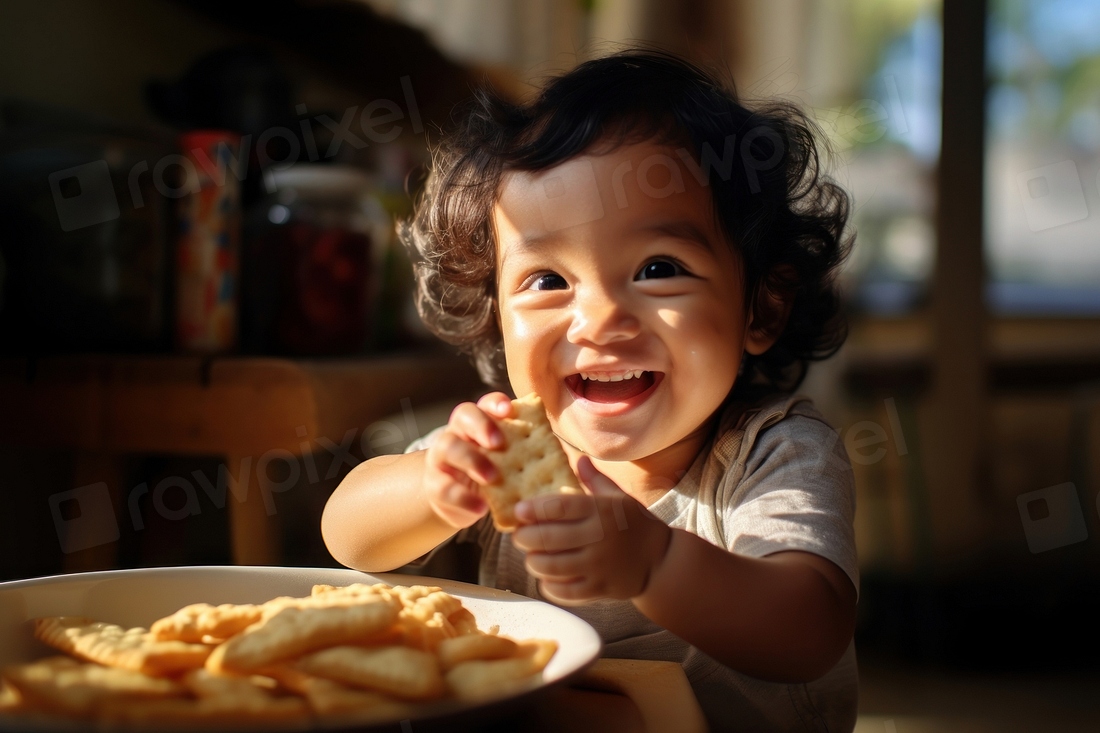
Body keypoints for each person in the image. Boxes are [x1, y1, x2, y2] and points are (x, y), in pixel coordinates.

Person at [322, 49, 858, 732]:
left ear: (763, 307)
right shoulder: (510, 453)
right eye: (548, 280)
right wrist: (433, 486)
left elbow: (808, 628)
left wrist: (657, 563)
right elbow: (348, 536)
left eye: (659, 268)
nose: (600, 318)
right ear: (494, 312)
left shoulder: (773, 453)